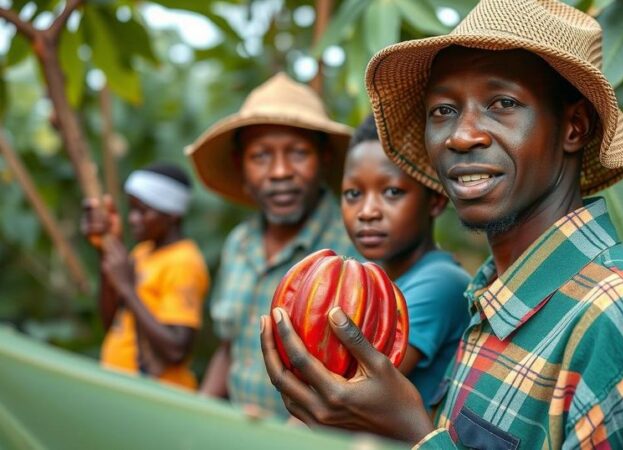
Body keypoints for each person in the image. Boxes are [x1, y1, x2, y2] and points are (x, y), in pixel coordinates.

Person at [259, 0, 623, 448]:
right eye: (443, 110)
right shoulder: (487, 299)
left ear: (574, 127)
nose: (463, 135)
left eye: (503, 103)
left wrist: (411, 429)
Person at [185, 72, 356, 416]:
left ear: (323, 158)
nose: (279, 171)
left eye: (297, 153)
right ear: (241, 166)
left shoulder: (352, 246)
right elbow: (230, 346)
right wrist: (197, 416)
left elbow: (357, 375)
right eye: (261, 156)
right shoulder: (239, 244)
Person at [341, 115, 470, 408]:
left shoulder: (442, 282)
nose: (367, 211)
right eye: (353, 194)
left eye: (392, 192)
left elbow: (352, 394)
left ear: (435, 200)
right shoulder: (364, 280)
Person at [82, 163, 209, 390]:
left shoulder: (184, 261)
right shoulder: (142, 252)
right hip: (123, 387)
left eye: (143, 211)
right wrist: (105, 252)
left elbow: (176, 349)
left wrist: (127, 288)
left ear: (172, 215)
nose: (133, 219)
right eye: (131, 209)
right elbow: (111, 322)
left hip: (159, 394)